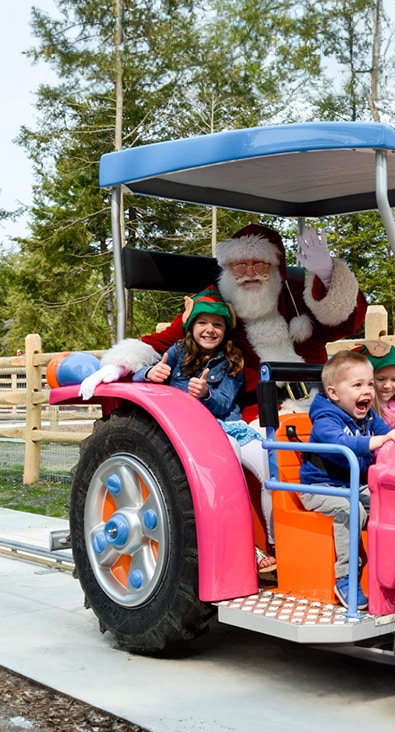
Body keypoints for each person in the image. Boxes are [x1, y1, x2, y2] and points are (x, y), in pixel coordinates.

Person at [79, 222, 367, 549]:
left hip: (322, 401)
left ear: (275, 265)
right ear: (228, 267)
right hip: (262, 411)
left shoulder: (297, 292)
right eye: (239, 265)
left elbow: (344, 320)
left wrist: (328, 275)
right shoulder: (219, 301)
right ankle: (282, 545)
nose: (249, 273)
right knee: (275, 462)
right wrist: (122, 364)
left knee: (362, 444)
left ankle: (361, 523)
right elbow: (169, 339)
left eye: (259, 264)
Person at [132, 287, 276, 577]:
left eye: (217, 324)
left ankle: (276, 540)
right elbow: (142, 373)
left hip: (228, 426)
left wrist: (208, 393)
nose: (209, 329)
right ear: (191, 327)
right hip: (194, 432)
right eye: (203, 323)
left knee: (270, 466)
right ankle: (247, 547)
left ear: (226, 330)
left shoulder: (232, 361)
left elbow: (225, 404)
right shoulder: (176, 353)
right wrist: (148, 374)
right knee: (229, 471)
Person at [299, 350, 395, 610]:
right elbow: (342, 443)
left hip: (355, 485)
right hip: (319, 488)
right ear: (333, 393)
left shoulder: (368, 416)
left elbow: (387, 433)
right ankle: (346, 577)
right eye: (357, 385)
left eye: (369, 384)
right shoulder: (324, 418)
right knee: (350, 509)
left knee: (389, 507)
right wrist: (379, 441)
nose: (368, 391)